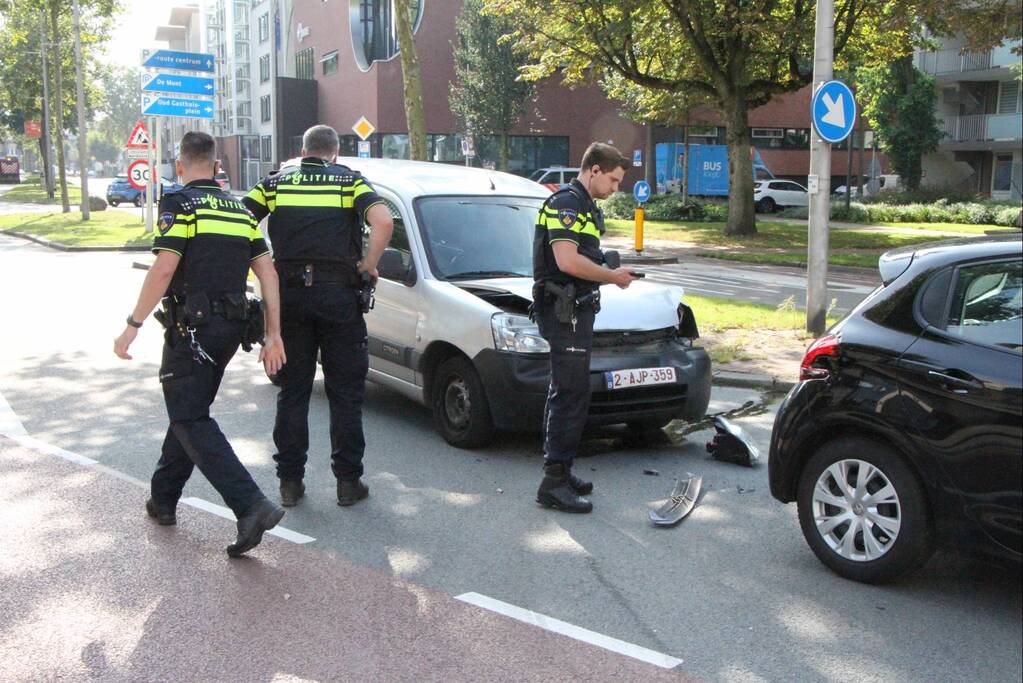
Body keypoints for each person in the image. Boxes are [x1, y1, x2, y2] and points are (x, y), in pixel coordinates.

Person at [114, 131, 288, 557]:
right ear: (217, 166)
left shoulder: (180, 204)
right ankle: (163, 499)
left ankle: (250, 505)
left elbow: (164, 268)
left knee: (190, 417)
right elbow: (268, 274)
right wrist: (274, 335)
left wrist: (133, 324)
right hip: (231, 332)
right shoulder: (239, 209)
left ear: (180, 166)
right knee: (188, 411)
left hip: (191, 332)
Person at [243, 125, 393, 508]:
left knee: (293, 392)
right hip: (338, 298)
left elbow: (240, 221)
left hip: (289, 298)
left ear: (303, 152)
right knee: (345, 394)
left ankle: (290, 483)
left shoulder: (275, 183)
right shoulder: (348, 182)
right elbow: (384, 221)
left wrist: (263, 263)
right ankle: (348, 483)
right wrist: (368, 264)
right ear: (334, 153)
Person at [532, 143, 639, 513]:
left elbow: (584, 256)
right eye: (613, 180)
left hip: (574, 310)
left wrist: (607, 269)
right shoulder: (566, 203)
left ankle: (560, 471)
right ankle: (554, 483)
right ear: (594, 170)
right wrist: (612, 277)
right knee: (570, 394)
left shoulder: (584, 205)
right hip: (564, 312)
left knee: (567, 392)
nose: (615, 188)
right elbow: (566, 261)